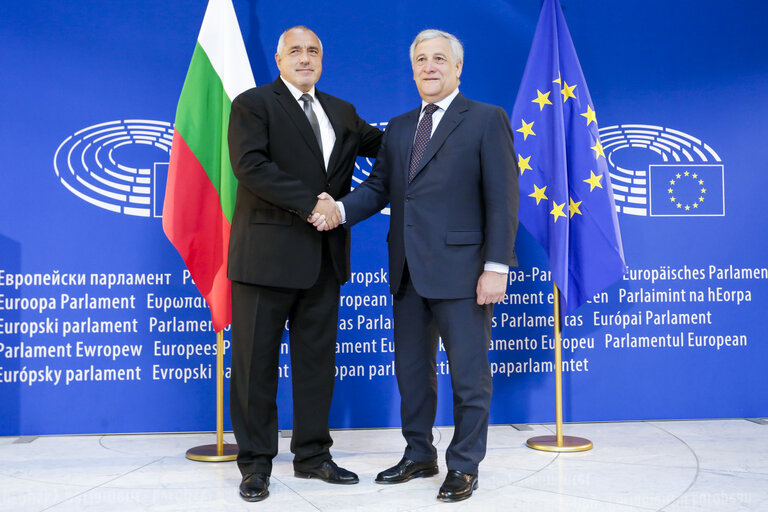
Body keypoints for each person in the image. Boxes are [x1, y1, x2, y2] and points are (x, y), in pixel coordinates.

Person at [315, 29, 519, 502]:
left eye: (439, 59)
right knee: (412, 372)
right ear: (413, 69)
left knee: (469, 376)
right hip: (407, 271)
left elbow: (503, 201)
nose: (430, 67)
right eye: (421, 60)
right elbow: (378, 188)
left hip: (466, 274)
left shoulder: (487, 119)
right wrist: (338, 210)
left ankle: (464, 465)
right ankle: (418, 453)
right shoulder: (401, 126)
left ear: (457, 67)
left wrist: (496, 267)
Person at [227, 26, 382, 502]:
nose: (305, 57)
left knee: (317, 365)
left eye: (313, 50)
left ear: (322, 59)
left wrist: (434, 125)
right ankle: (255, 464)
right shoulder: (253, 104)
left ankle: (313, 456)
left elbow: (389, 148)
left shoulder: (342, 111)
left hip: (324, 260)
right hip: (264, 260)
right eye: (295, 50)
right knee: (256, 367)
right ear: (278, 59)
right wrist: (313, 203)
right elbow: (250, 166)